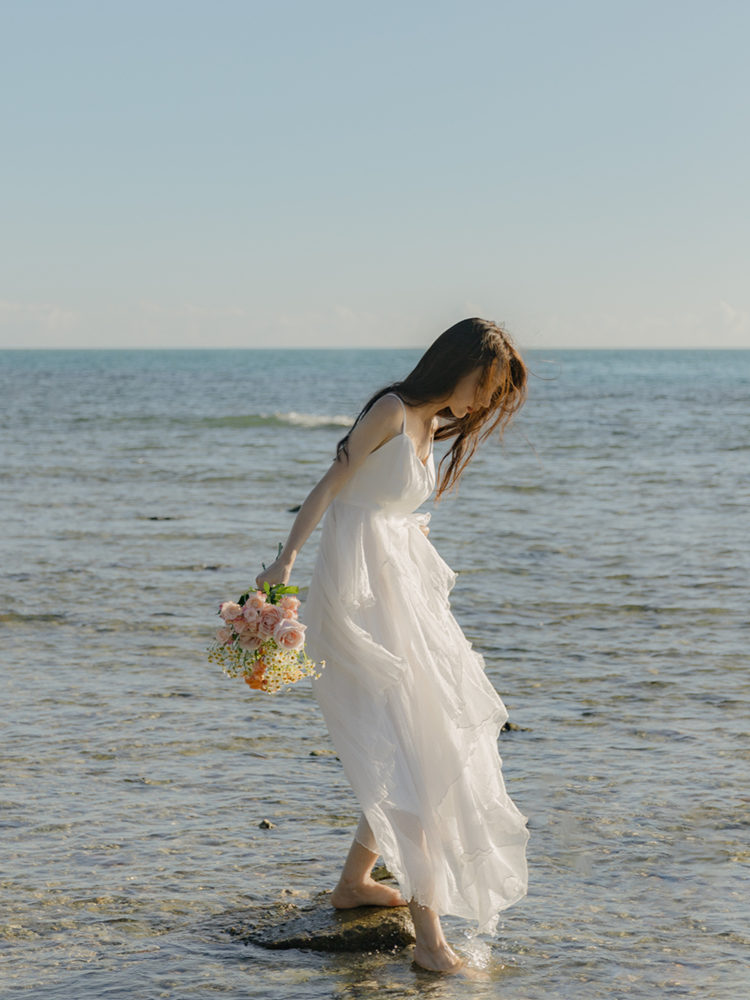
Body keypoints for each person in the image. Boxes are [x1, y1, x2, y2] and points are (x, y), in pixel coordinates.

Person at [255, 317, 530, 973]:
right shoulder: (391, 409)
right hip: (359, 597)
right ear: (456, 363)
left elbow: (394, 512)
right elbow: (332, 486)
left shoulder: (431, 425)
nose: (483, 403)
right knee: (412, 753)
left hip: (403, 594)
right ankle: (430, 942)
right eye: (484, 385)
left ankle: (354, 884)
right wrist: (284, 562)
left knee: (426, 741)